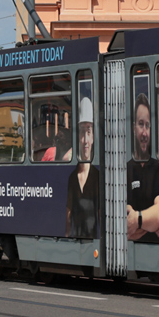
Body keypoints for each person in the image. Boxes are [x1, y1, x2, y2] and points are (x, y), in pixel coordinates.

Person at [126, 95, 159, 243]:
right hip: (129, 254)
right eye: (141, 124)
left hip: (154, 252)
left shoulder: (155, 167)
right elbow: (125, 222)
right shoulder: (126, 169)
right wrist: (149, 222)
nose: (144, 132)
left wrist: (137, 219)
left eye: (147, 126)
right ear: (133, 127)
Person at [66, 96, 101, 239]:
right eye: (82, 132)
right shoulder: (72, 178)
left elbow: (100, 216)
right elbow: (68, 217)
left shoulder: (97, 177)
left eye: (89, 131)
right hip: (76, 244)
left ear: (93, 137)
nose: (85, 140)